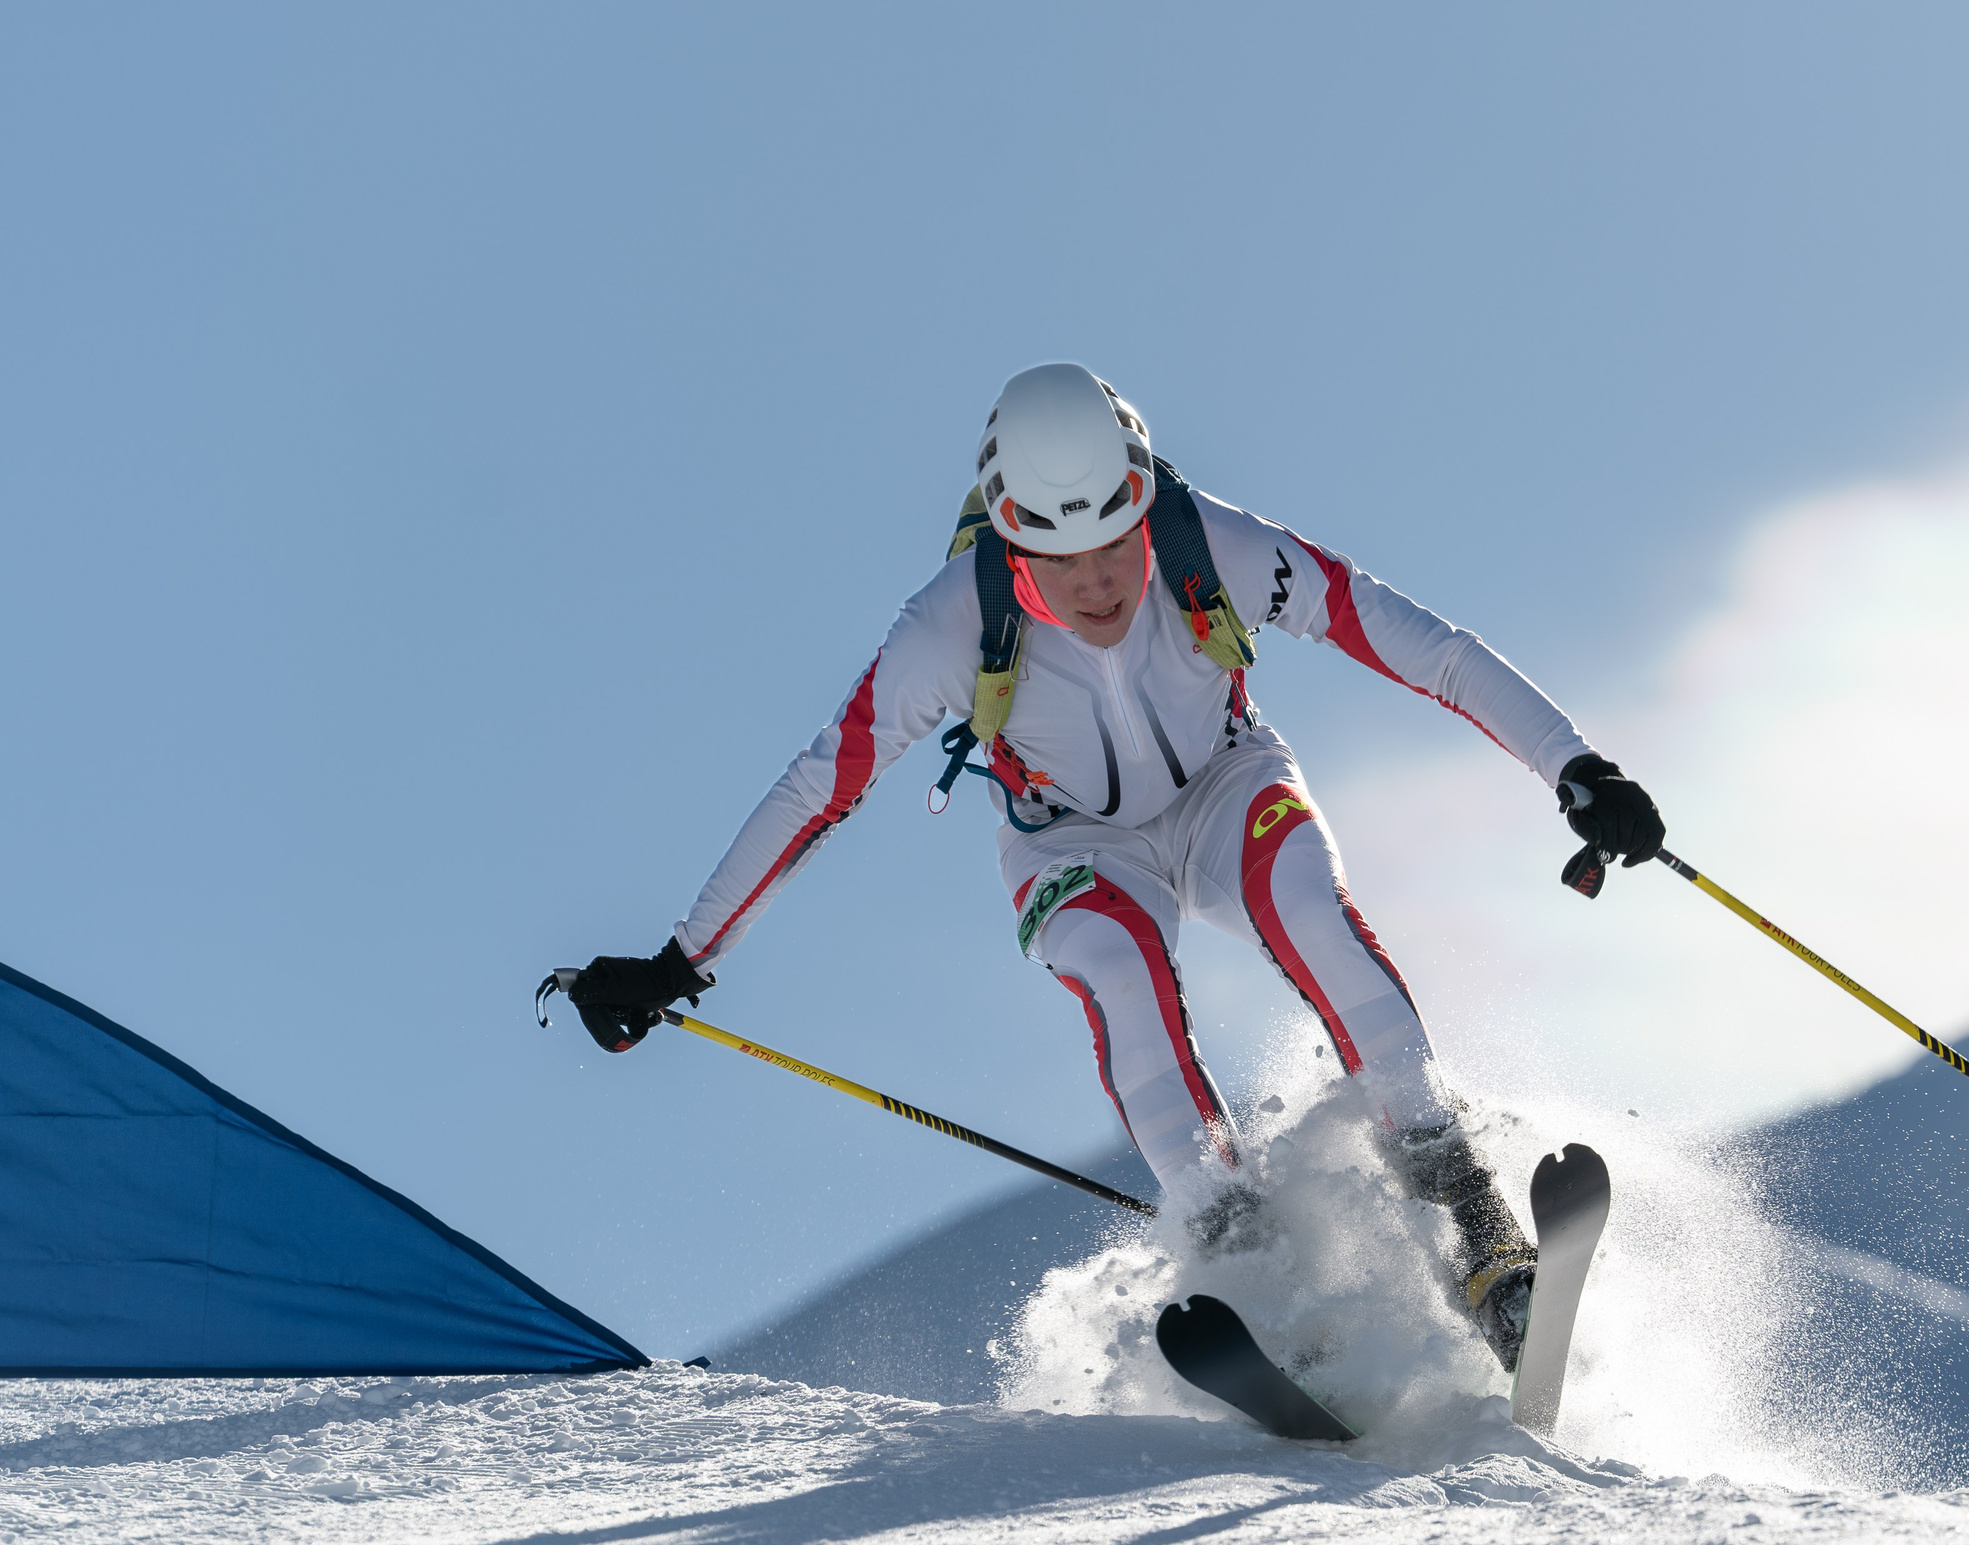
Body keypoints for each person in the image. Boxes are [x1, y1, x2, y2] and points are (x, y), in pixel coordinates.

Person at [562, 364, 1662, 1368]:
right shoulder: (947, 625)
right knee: (1125, 973)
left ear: (1144, 502)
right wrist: (680, 960)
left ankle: (1473, 1225)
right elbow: (822, 786)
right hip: (1071, 844)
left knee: (1306, 905)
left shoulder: (1211, 544)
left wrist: (1576, 767)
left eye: (1114, 542)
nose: (1096, 582)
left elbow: (1416, 641)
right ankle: (1262, 1287)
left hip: (1227, 786)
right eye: (1058, 557)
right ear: (1008, 539)